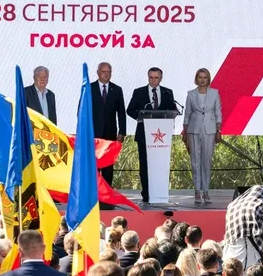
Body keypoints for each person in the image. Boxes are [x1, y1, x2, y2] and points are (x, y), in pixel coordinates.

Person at [127, 67, 177, 204]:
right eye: (151, 77)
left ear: (161, 78)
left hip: (162, 137)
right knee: (145, 165)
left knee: (160, 165)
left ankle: (160, 193)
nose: (153, 80)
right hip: (144, 134)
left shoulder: (167, 92)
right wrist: (142, 117)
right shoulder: (139, 92)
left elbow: (172, 110)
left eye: (156, 78)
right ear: (148, 77)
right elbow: (130, 110)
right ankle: (146, 194)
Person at [181, 68, 223, 205]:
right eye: (200, 77)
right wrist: (185, 130)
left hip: (210, 130)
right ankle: (197, 190)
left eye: (205, 77)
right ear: (196, 79)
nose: (202, 80)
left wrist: (219, 130)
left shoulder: (215, 93)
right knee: (195, 161)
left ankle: (206, 190)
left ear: (208, 79)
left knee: (206, 161)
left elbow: (218, 112)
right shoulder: (191, 94)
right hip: (193, 129)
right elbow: (187, 113)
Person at [89, 61, 128, 185]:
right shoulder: (89, 88)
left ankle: (106, 191)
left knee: (108, 166)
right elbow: (82, 111)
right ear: (97, 73)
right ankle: (94, 191)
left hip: (110, 134)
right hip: (93, 134)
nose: (106, 74)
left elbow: (121, 112)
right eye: (103, 71)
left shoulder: (117, 90)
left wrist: (122, 132)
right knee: (93, 165)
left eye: (108, 72)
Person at [224, 185, 263, 268]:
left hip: (231, 251)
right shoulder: (255, 207)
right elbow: (261, 232)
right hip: (249, 253)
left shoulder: (232, 206)